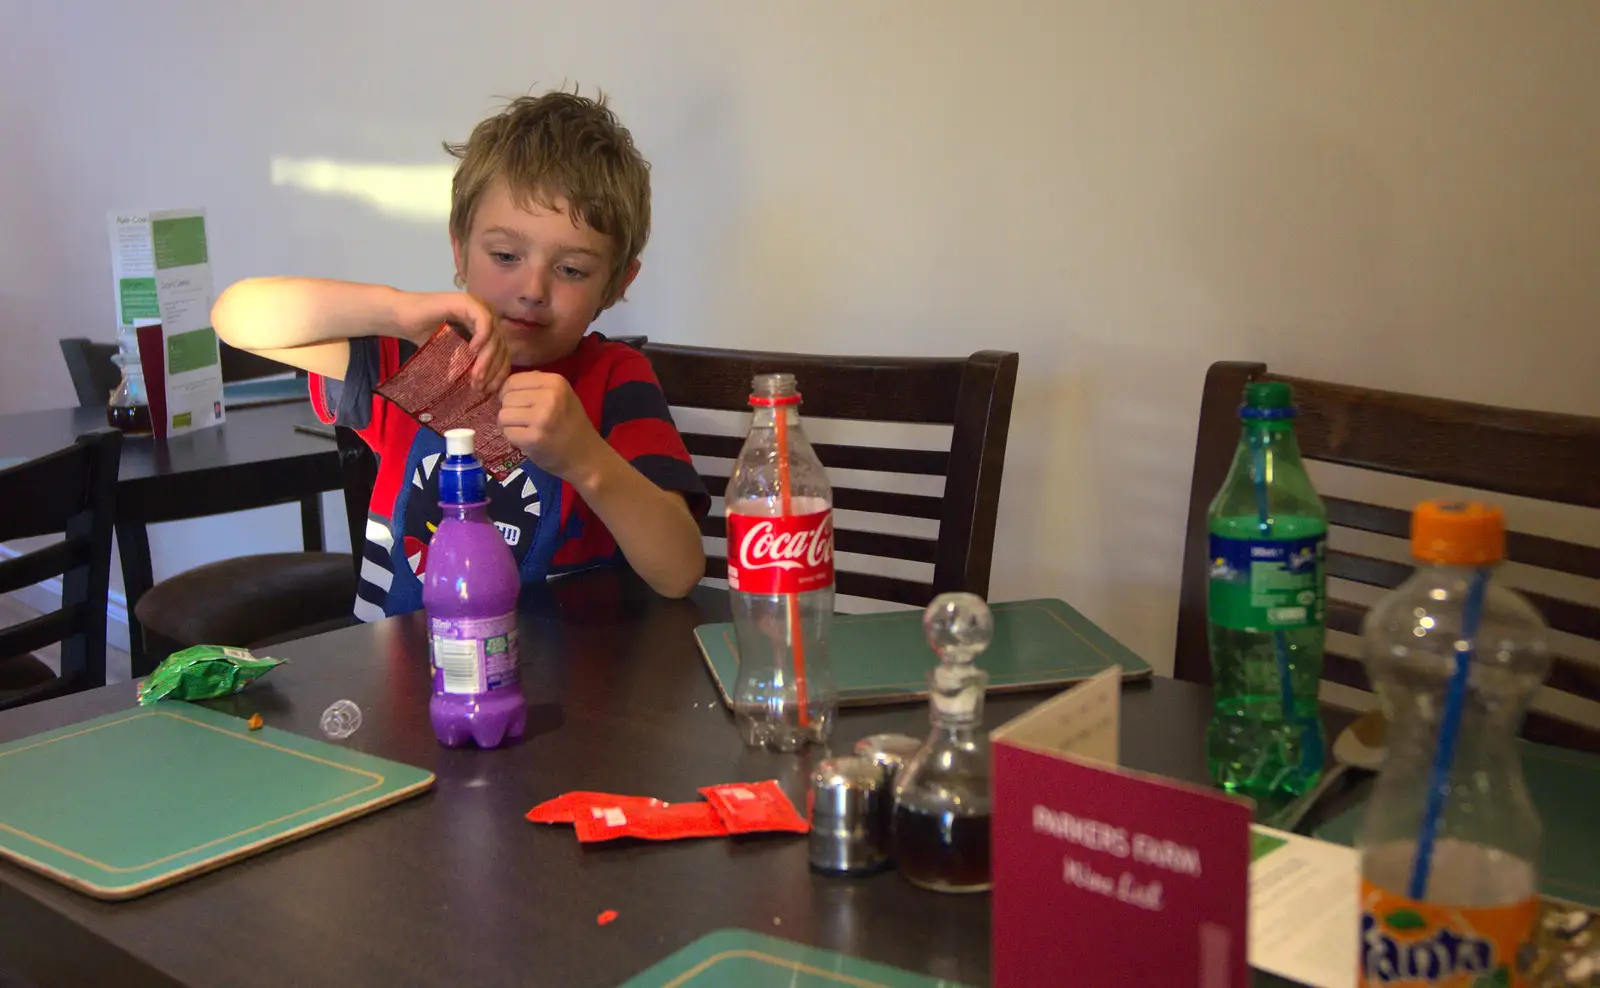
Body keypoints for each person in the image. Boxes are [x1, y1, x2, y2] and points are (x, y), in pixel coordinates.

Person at [212, 88, 708, 621]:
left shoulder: (614, 380)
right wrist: (396, 311)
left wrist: (587, 459)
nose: (533, 288)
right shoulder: (424, 362)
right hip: (395, 685)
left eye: (571, 269)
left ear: (615, 284)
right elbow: (236, 316)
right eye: (504, 255)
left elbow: (678, 572)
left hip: (559, 694)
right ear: (460, 250)